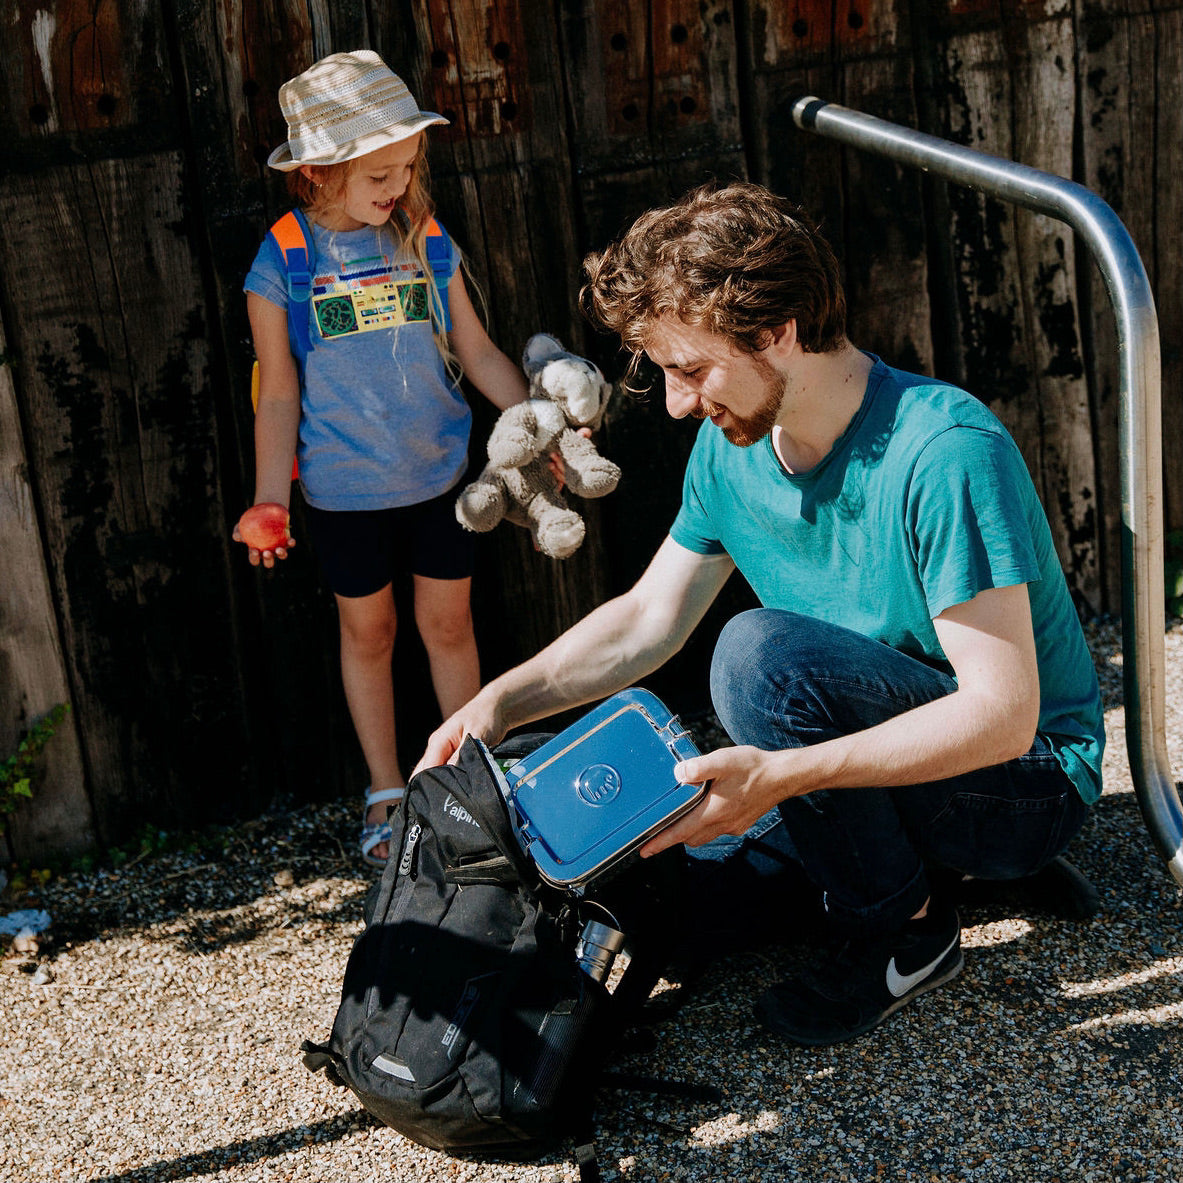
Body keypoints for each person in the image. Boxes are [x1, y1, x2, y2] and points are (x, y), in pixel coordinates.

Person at [415, 181, 1105, 1047]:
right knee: (672, 910)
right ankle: (907, 865)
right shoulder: (728, 445)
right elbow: (646, 619)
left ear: (776, 331)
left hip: (1022, 784)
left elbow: (1002, 718)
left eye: (690, 369)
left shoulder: (945, 449)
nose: (672, 402)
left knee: (755, 656)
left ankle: (908, 932)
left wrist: (786, 776)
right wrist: (497, 703)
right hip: (867, 756)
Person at [238, 51, 530, 868]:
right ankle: (384, 784)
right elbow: (277, 394)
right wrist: (269, 498)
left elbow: (475, 350)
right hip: (340, 495)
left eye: (404, 167)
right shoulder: (283, 259)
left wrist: (536, 422)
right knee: (368, 634)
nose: (396, 186)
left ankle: (471, 773)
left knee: (449, 625)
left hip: (441, 479)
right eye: (377, 173)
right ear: (316, 172)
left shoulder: (423, 237)